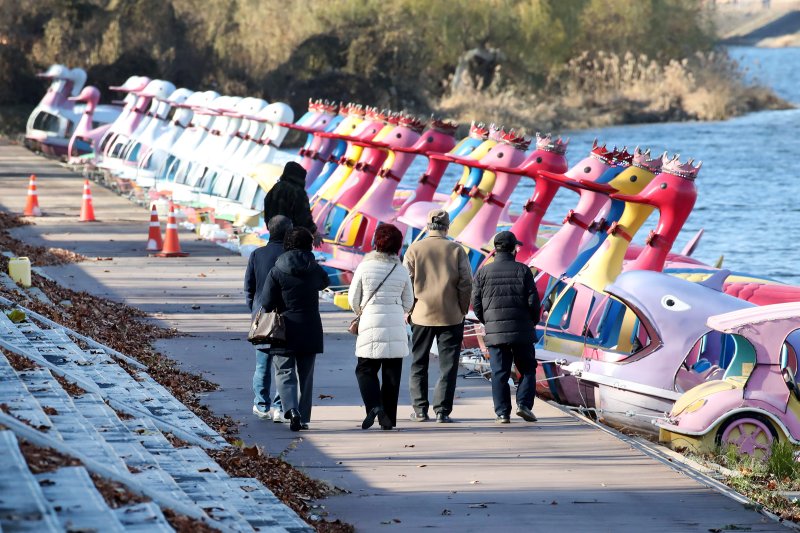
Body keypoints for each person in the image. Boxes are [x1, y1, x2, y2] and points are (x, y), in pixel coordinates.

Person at [403, 209, 472, 423]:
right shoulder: (456, 249)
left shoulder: (414, 249)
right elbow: (466, 282)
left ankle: (420, 410)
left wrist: (409, 308)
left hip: (421, 314)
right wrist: (462, 308)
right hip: (451, 314)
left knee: (418, 362)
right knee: (448, 364)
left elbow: (406, 282)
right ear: (447, 227)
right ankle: (442, 411)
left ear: (428, 225)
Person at [261, 227, 329, 431]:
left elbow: (266, 301)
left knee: (284, 371)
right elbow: (324, 282)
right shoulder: (314, 268)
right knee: (306, 375)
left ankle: (291, 409)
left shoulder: (277, 269)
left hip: (284, 328)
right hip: (310, 327)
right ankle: (304, 416)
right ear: (308, 244)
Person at [348, 224, 414, 430]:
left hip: (370, 323)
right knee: (391, 375)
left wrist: (363, 310)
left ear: (376, 242)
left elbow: (353, 299)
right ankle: (389, 420)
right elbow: (408, 303)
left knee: (365, 369)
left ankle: (374, 406)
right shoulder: (401, 270)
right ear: (397, 246)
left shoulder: (364, 267)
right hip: (395, 324)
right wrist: (394, 307)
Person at [471, 230, 540, 424]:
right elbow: (534, 301)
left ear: (495, 249)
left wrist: (488, 321)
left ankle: (502, 413)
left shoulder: (483, 272)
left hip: (495, 331)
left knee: (499, 372)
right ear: (513, 249)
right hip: (522, 330)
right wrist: (531, 322)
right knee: (527, 368)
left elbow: (475, 302)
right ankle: (524, 405)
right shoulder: (523, 270)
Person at [244, 215, 293, 423]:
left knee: (262, 364)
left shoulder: (257, 254)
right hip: (285, 318)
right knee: (283, 366)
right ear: (288, 232)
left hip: (262, 316)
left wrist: (255, 310)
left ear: (268, 229)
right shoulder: (290, 255)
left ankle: (261, 404)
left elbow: (249, 287)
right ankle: (279, 407)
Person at [263, 161, 321, 244]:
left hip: (274, 235)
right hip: (292, 239)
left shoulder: (276, 188)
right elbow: (303, 216)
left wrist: (270, 227)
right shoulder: (298, 192)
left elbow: (266, 206)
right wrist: (314, 232)